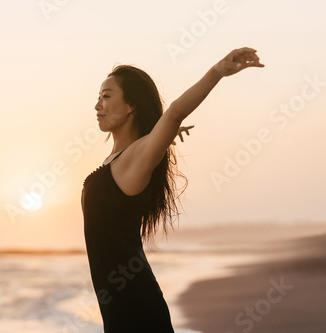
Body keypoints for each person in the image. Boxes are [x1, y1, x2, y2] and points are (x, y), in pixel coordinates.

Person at [81, 47, 264, 332]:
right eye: (98, 97)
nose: (97, 106)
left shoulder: (137, 157)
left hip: (135, 310)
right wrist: (160, 137)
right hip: (121, 308)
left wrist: (217, 72)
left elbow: (175, 112)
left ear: (131, 105)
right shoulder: (127, 157)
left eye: (106, 96)